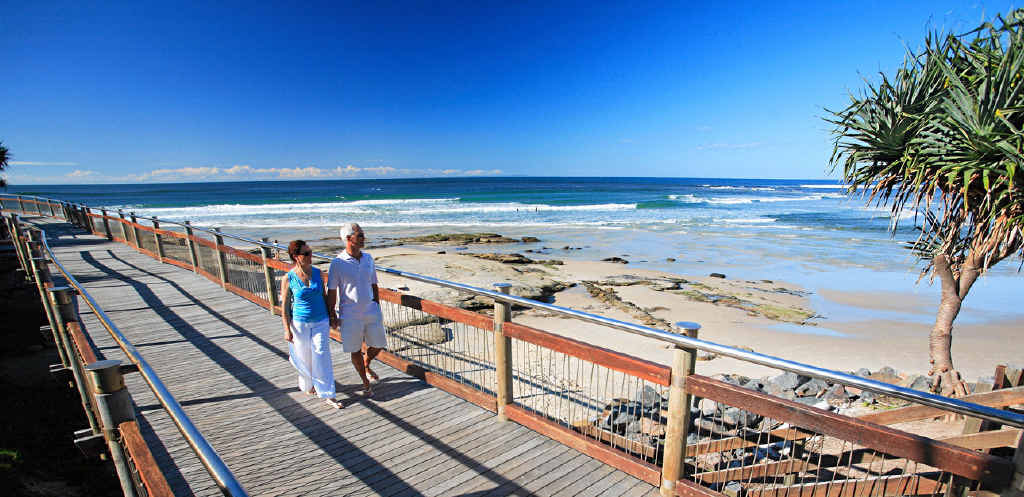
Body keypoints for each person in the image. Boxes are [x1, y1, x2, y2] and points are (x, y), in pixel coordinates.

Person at [280, 240, 343, 409]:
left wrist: (332, 315)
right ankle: (309, 385)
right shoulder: (288, 278)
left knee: (321, 353)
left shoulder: (317, 273)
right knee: (304, 357)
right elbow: (285, 307)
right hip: (300, 323)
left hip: (320, 320)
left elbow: (323, 296)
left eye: (310, 252)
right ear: (296, 257)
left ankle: (328, 393)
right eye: (306, 253)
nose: (310, 256)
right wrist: (287, 329)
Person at [327, 223, 387, 397]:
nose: (363, 238)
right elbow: (332, 291)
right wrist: (332, 314)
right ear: (348, 238)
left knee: (379, 344)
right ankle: (365, 381)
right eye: (360, 235)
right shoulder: (337, 263)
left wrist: (376, 304)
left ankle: (366, 363)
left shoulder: (368, 259)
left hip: (371, 311)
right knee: (354, 349)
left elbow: (374, 284)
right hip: (350, 313)